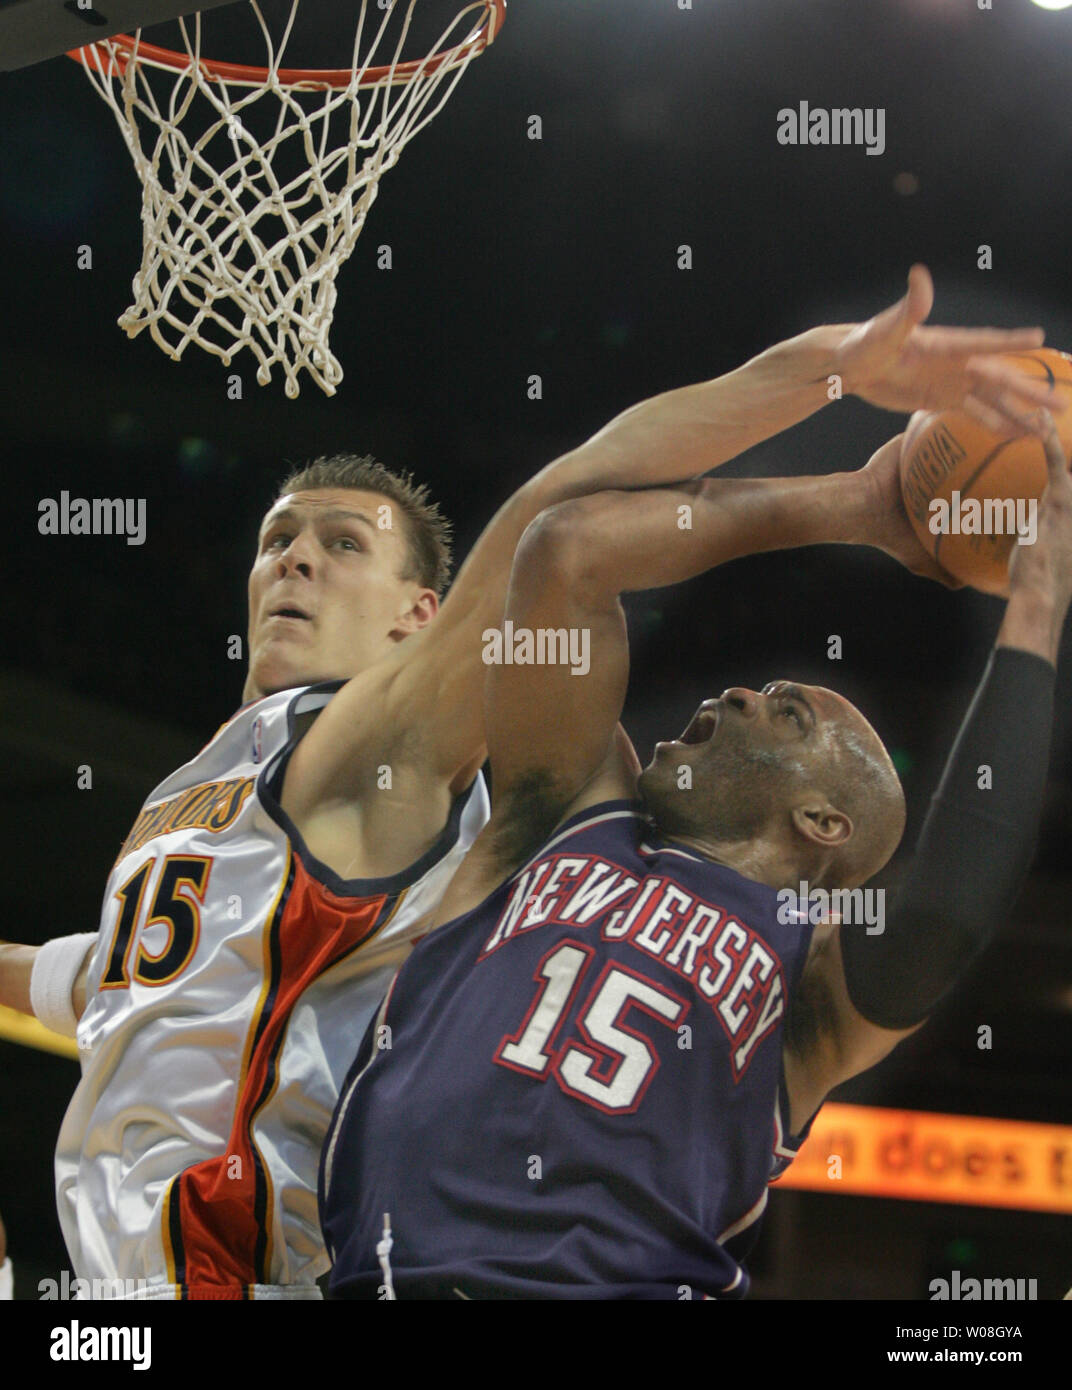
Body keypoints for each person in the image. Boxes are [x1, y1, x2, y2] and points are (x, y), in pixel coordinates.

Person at [0, 268, 1056, 1299]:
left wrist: (862, 459)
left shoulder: (432, 774)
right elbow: (119, 983)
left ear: (427, 616)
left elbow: (553, 522)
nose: (293, 561)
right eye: (275, 538)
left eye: (338, 541)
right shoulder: (252, 804)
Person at [319, 407, 1071, 1300]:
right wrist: (857, 504)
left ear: (824, 823)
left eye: (788, 713)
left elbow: (950, 905)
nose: (744, 692)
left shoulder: (812, 974)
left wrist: (1035, 607)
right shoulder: (562, 811)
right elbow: (565, 553)